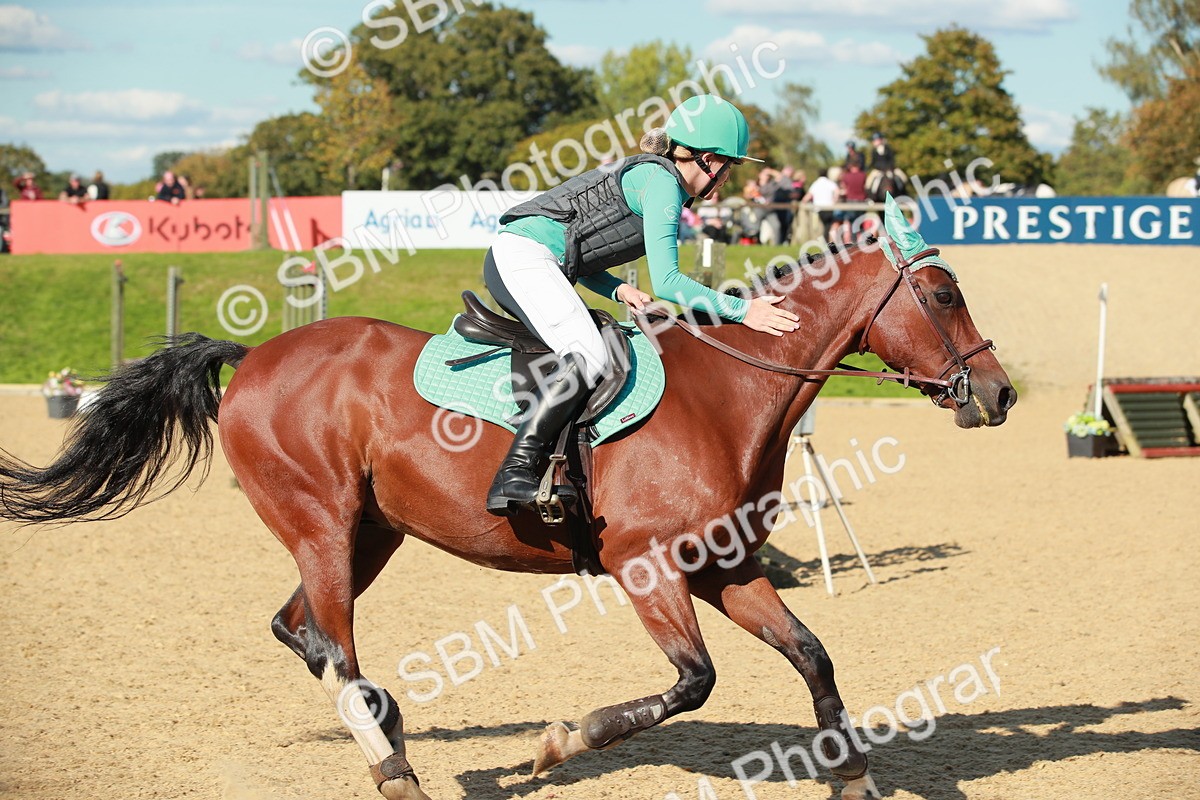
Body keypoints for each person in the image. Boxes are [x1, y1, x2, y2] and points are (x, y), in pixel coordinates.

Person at [483, 94, 799, 515]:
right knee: (590, 354)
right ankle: (514, 472)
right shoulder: (663, 183)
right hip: (523, 257)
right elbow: (668, 282)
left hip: (538, 258)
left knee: (600, 349)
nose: (727, 179)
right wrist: (747, 310)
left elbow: (582, 250)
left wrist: (617, 290)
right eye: (728, 167)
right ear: (706, 159)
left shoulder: (660, 179)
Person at [802, 166, 840, 243]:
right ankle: (827, 241)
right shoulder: (830, 183)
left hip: (819, 209)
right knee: (828, 226)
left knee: (825, 226)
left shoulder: (815, 184)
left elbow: (807, 196)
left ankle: (825, 241)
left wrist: (803, 202)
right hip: (829, 208)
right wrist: (835, 200)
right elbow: (837, 191)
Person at [835, 162, 868, 243]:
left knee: (853, 223)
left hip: (851, 201)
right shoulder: (863, 175)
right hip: (862, 201)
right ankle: (865, 242)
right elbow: (865, 187)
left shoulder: (846, 176)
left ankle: (854, 242)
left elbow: (844, 187)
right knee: (861, 223)